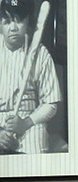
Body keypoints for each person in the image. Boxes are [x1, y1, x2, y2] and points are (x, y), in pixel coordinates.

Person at [0, 0, 62, 154]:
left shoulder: (41, 53)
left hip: (30, 123)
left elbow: (51, 103)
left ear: (27, 20)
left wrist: (25, 123)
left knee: (34, 162)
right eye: (7, 22)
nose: (13, 28)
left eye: (19, 20)